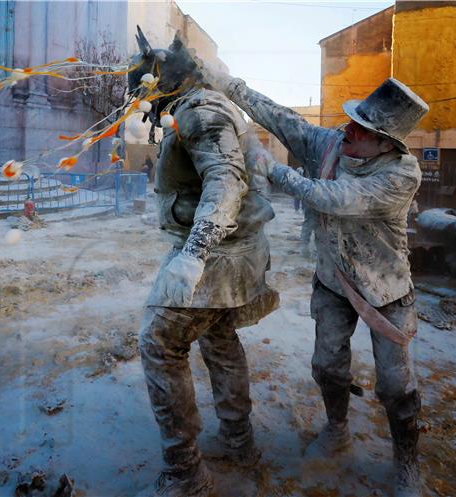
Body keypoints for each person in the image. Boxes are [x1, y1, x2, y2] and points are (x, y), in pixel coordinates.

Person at [196, 58, 429, 497]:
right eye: (351, 121)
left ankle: (407, 464)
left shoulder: (400, 175)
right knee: (327, 366)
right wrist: (226, 83)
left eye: (361, 130)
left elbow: (332, 198)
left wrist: (273, 169)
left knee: (397, 387)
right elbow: (279, 117)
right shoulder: (331, 145)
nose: (348, 130)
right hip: (334, 281)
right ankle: (337, 428)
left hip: (385, 291)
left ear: (385, 145)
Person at [131, 28, 278, 497]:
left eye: (146, 86)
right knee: (218, 334)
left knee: (159, 341)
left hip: (217, 255)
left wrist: (193, 255)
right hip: (233, 250)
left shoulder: (200, 110)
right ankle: (239, 440)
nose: (142, 99)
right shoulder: (201, 106)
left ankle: (185, 473)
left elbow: (226, 180)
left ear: (166, 81)